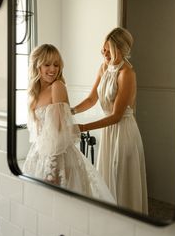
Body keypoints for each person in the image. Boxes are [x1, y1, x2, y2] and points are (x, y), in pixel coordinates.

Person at [22, 44, 115, 204]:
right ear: (37, 65)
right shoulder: (34, 93)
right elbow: (38, 133)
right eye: (47, 64)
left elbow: (59, 132)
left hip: (58, 157)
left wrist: (52, 169)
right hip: (40, 154)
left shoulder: (57, 87)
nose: (52, 69)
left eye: (56, 65)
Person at [71, 27, 148, 213]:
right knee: (107, 179)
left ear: (120, 49)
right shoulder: (104, 67)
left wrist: (82, 127)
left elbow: (116, 116)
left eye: (108, 49)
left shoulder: (127, 74)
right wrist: (70, 110)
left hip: (123, 132)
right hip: (109, 131)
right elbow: (91, 99)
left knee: (121, 178)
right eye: (103, 49)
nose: (103, 53)